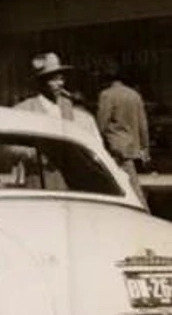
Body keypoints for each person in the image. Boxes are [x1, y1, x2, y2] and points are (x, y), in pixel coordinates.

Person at [13, 53, 102, 143]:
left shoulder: (71, 108)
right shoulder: (24, 109)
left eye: (61, 78)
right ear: (41, 83)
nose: (60, 83)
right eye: (54, 79)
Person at [97, 60, 149, 205]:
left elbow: (102, 123)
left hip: (116, 149)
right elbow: (143, 125)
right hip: (133, 149)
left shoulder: (106, 95)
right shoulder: (135, 95)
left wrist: (98, 142)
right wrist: (145, 148)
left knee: (129, 189)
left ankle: (144, 215)